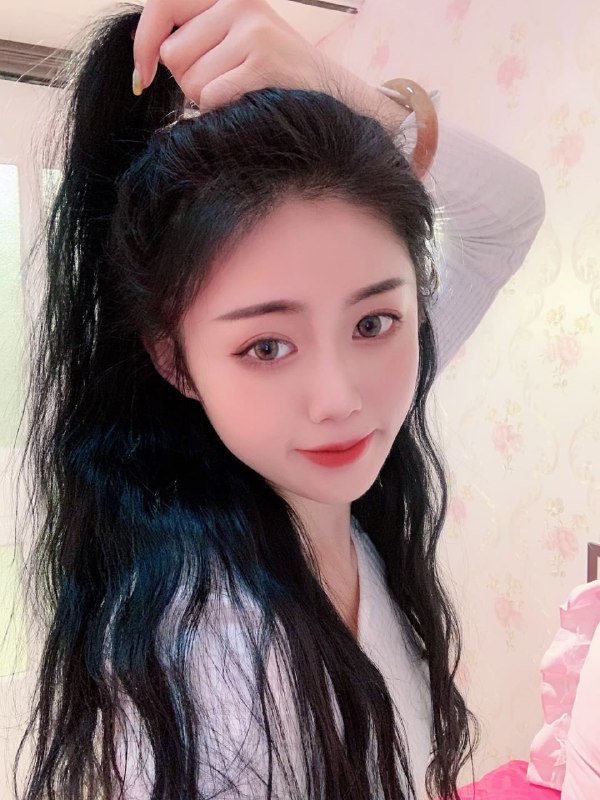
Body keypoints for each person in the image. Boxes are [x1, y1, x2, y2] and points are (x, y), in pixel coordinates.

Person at [13, 1, 545, 799]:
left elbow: (509, 213)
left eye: (373, 322)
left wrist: (339, 89)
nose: (340, 399)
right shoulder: (207, 672)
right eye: (266, 346)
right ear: (175, 361)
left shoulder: (319, 468)